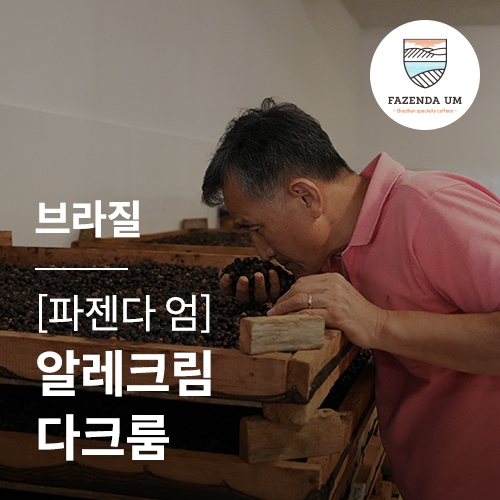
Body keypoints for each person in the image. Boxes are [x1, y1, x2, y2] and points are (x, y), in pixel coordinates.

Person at [201, 98, 500, 500]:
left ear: (306, 196)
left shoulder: (429, 208)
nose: (262, 250)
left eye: (257, 229)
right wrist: (286, 290)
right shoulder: (338, 253)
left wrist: (376, 323)